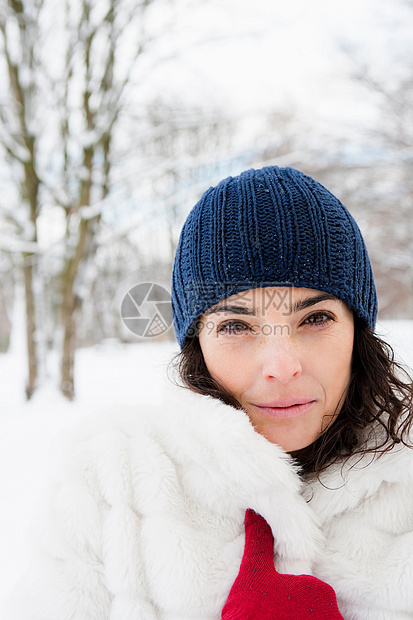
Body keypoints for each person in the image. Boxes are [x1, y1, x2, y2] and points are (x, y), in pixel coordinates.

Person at [5, 166, 413, 619]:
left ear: (358, 330)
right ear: (196, 343)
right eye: (236, 325)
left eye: (315, 319)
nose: (281, 366)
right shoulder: (107, 486)